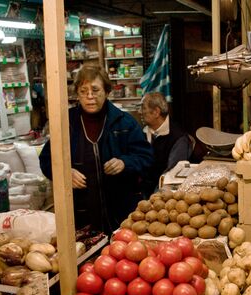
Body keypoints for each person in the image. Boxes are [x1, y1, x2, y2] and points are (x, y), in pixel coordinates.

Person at [39, 66, 154, 234]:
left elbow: (146, 157)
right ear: (77, 94)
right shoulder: (67, 123)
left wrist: (125, 162)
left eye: (95, 90)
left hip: (121, 212)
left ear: (107, 91)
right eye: (83, 91)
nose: (90, 96)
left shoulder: (125, 122)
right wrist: (64, 172)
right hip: (80, 214)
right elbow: (47, 159)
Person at [140, 92, 192, 196]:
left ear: (156, 112)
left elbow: (172, 175)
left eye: (143, 108)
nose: (140, 112)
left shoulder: (179, 138)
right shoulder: (143, 132)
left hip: (163, 195)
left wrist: (155, 198)